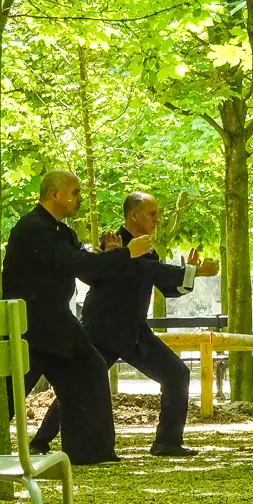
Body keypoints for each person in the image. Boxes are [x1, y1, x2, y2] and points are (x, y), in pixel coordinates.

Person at [30, 191, 220, 457]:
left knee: (177, 374)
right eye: (153, 214)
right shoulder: (117, 245)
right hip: (103, 329)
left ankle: (167, 442)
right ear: (135, 215)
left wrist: (189, 273)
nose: (157, 220)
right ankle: (40, 442)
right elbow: (143, 270)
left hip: (133, 331)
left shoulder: (143, 247)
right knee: (80, 385)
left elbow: (166, 285)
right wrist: (196, 272)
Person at [3, 170, 152, 465]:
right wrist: (126, 255)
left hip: (56, 323)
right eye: (74, 192)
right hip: (28, 325)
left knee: (90, 369)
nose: (79, 199)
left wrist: (111, 255)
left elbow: (87, 268)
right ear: (55, 193)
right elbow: (73, 261)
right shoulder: (33, 228)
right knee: (8, 392)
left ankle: (90, 453)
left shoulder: (62, 232)